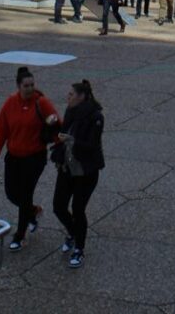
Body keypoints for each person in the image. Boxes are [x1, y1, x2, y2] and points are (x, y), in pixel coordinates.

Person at [0, 66, 60, 251]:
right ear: (18, 86)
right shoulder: (10, 103)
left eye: (32, 85)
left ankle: (19, 236)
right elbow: (2, 130)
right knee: (11, 193)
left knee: (24, 195)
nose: (29, 88)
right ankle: (33, 212)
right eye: (26, 85)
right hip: (13, 157)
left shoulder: (42, 103)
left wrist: (55, 129)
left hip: (34, 158)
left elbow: (56, 123)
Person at [52, 79, 105, 269]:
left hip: (85, 171)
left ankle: (79, 249)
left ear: (82, 97)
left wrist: (72, 141)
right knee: (58, 206)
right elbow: (62, 134)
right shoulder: (70, 111)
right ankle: (73, 232)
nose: (68, 97)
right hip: (67, 167)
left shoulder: (96, 116)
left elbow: (92, 146)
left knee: (78, 209)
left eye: (71, 94)